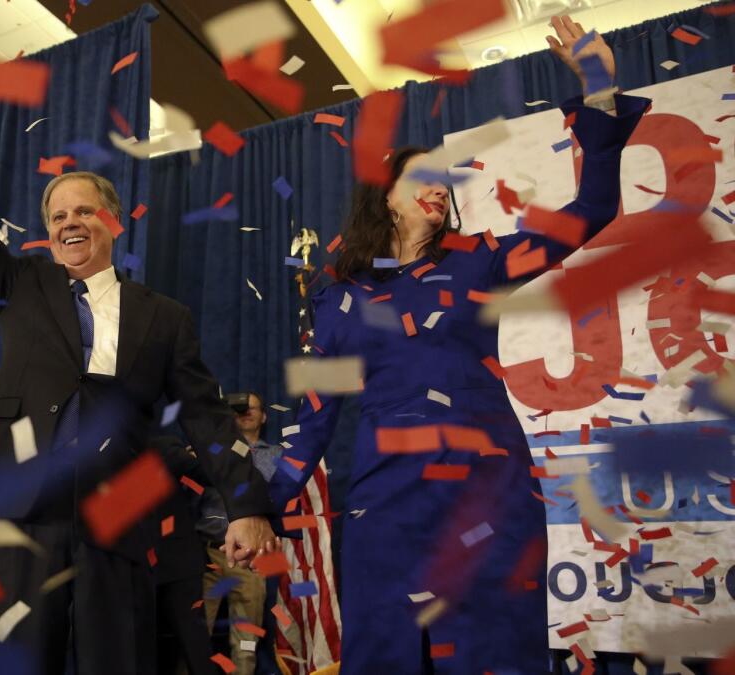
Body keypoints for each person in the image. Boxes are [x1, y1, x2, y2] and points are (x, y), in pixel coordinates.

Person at [0, 36, 278, 675]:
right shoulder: (20, 284)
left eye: (84, 211)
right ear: (48, 233)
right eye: (58, 216)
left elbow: (206, 417)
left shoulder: (164, 318)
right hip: (29, 508)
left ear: (114, 221)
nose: (70, 223)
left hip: (120, 517)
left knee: (119, 660)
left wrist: (247, 506)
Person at [268, 17, 649, 674]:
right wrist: (259, 503)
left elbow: (592, 208)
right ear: (383, 197)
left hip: (487, 494)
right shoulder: (336, 296)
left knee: (492, 652)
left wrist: (597, 89)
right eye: (422, 176)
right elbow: (315, 418)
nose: (440, 185)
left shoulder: (483, 261)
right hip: (384, 506)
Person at [197, 393, 282, 674]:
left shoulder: (275, 454)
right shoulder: (213, 452)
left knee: (246, 637)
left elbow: (269, 485)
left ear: (264, 416)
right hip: (207, 552)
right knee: (195, 634)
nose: (245, 413)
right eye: (239, 409)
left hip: (250, 556)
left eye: (251, 408)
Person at [147, 434, 214, 675]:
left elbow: (207, 473)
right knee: (147, 650)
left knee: (194, 647)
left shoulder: (161, 444)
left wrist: (205, 453)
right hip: (130, 566)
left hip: (177, 566)